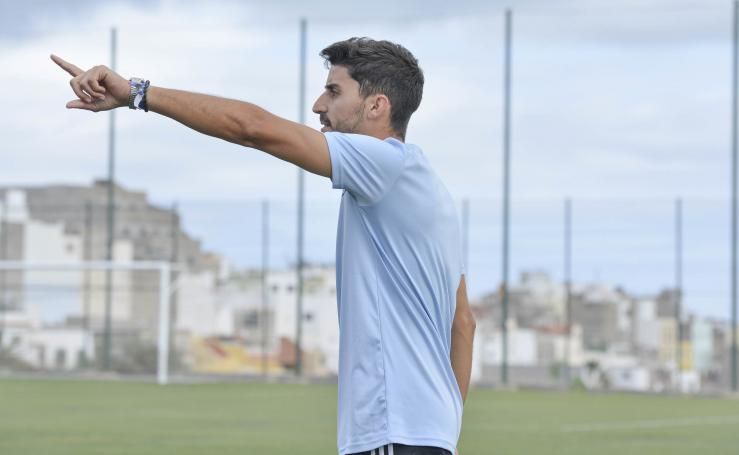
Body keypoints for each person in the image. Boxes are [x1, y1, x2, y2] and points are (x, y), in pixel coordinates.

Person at [51, 36, 475, 455]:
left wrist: (138, 94)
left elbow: (252, 128)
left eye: (333, 91)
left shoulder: (384, 162)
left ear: (376, 106)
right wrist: (442, 424)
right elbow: (463, 324)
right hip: (429, 434)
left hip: (393, 433)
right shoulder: (433, 194)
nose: (318, 106)